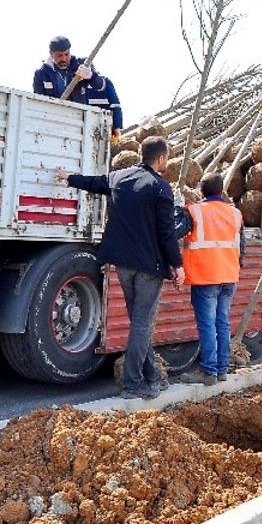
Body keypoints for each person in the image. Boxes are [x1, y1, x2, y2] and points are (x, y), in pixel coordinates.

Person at [55, 135, 183, 400]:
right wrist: (177, 264)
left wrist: (68, 178)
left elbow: (93, 183)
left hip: (123, 264)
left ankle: (152, 377)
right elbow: (167, 233)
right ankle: (132, 384)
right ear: (161, 159)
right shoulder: (160, 187)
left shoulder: (119, 177)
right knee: (142, 325)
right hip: (150, 266)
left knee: (139, 323)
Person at [180, 173, 245, 387]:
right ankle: (222, 369)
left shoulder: (195, 210)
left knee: (207, 324)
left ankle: (209, 370)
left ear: (202, 191)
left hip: (205, 276)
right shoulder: (235, 214)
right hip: (229, 276)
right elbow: (240, 246)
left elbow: (175, 230)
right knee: (222, 322)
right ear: (221, 191)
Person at [33, 35, 124, 136]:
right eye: (59, 55)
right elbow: (38, 103)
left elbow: (101, 86)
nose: (64, 58)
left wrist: (90, 76)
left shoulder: (82, 64)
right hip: (55, 123)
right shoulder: (41, 73)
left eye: (66, 54)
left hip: (79, 121)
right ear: (51, 54)